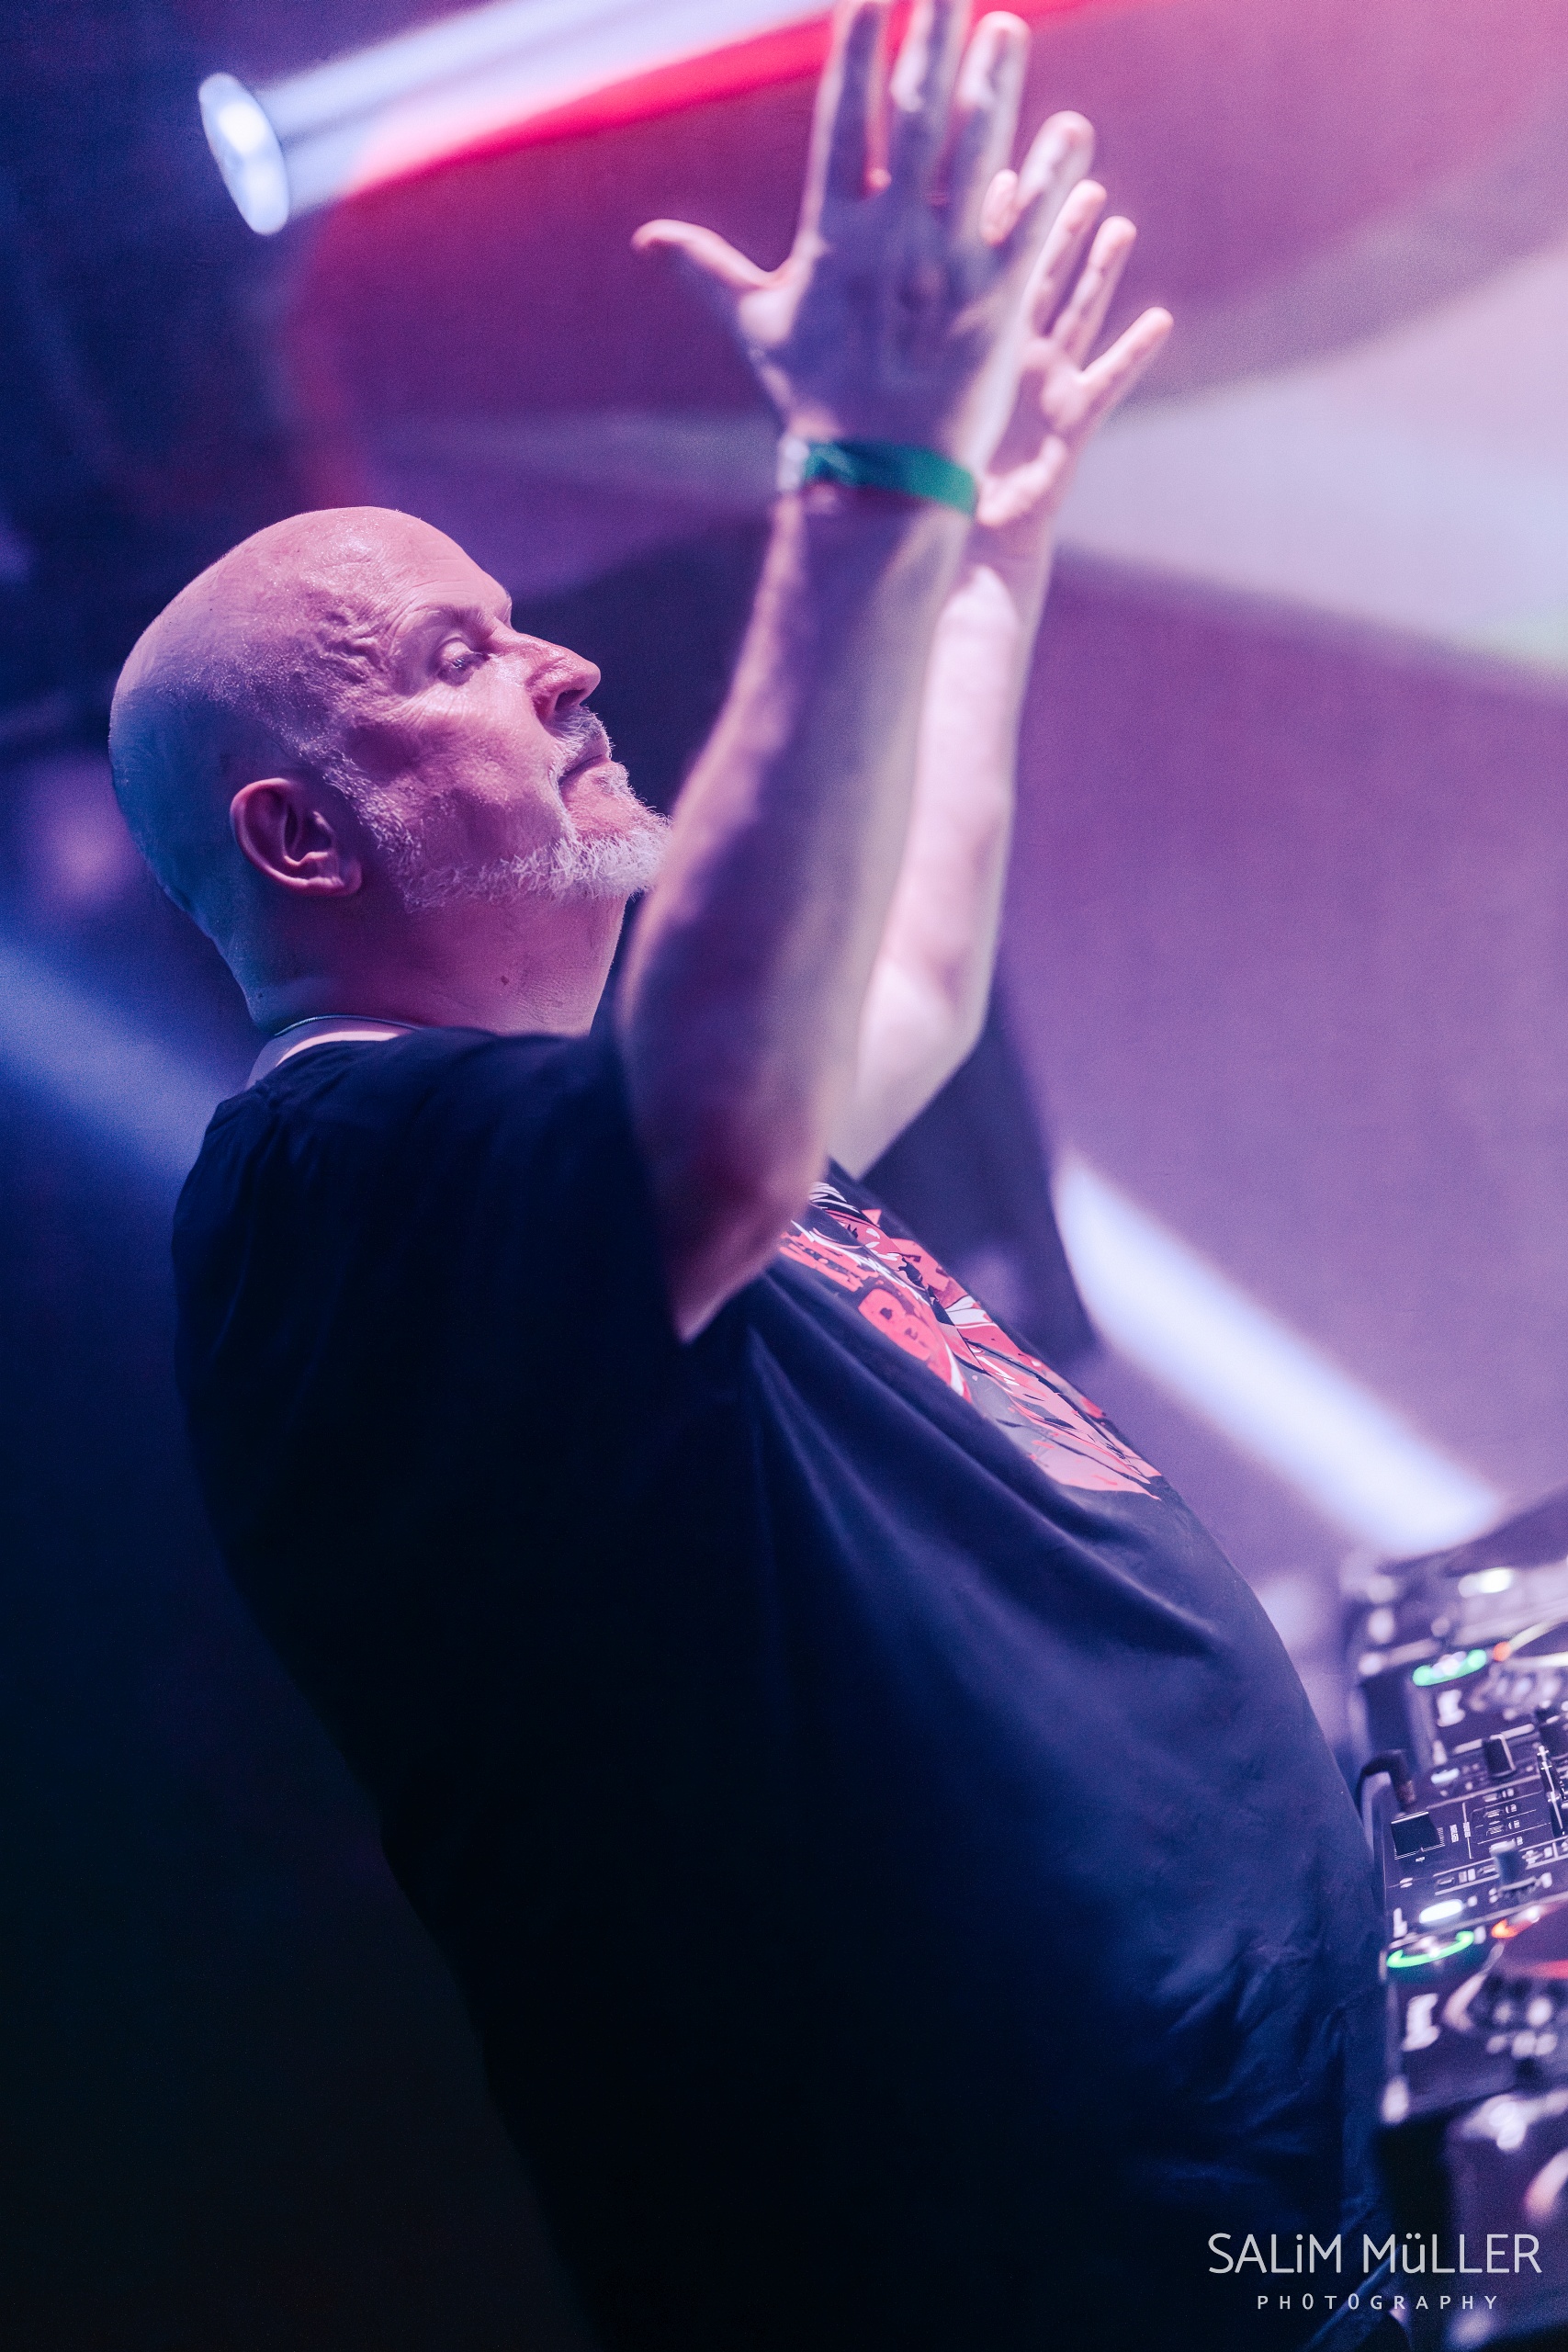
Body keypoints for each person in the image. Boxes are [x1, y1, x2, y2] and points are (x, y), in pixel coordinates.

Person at [109, 6, 1391, 2345]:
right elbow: (719, 1101)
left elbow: (893, 987)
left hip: (1232, 2198)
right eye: (457, 656)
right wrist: (863, 474)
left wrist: (982, 547)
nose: (565, 667)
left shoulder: (574, 1174)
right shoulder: (328, 1187)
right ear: (299, 833)